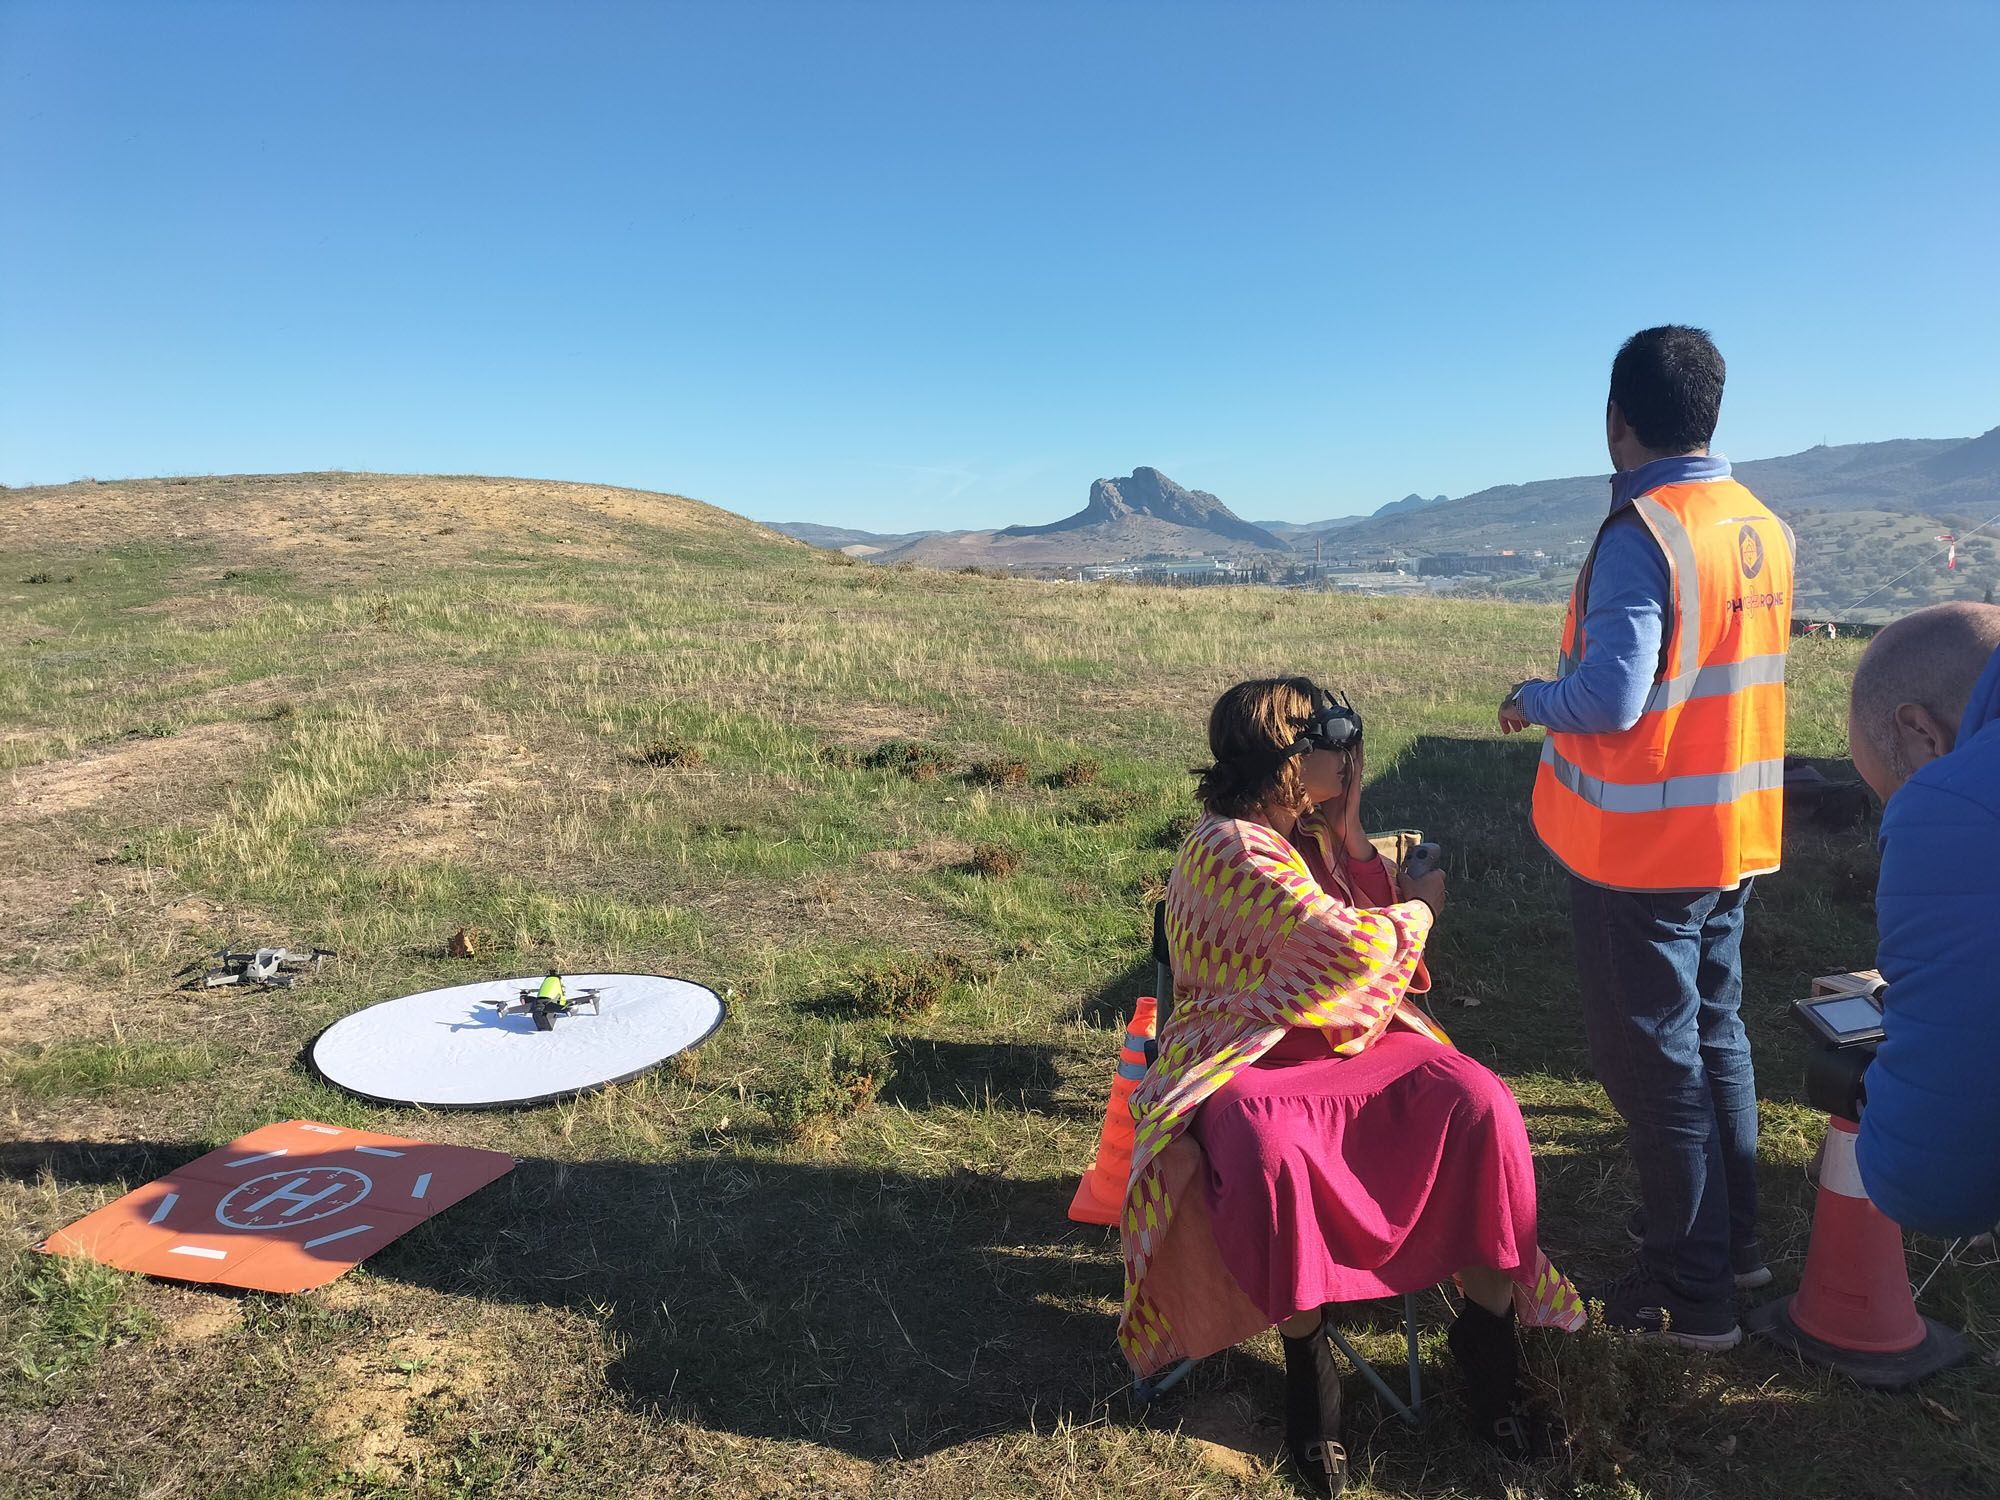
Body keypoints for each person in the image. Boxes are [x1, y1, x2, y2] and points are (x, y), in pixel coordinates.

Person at [1119, 677, 1585, 1495]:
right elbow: (1345, 947)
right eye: (1335, 741)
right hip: (1246, 1053)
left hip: (1353, 1042)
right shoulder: (1227, 846)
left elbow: (1365, 918)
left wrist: (1352, 830)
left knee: (1481, 1103)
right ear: (1288, 761)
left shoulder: (1308, 834)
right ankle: (1310, 1369)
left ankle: (1486, 1334)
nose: (1352, 752)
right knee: (1273, 1152)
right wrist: (1426, 911)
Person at [1498, 325, 1794, 1350]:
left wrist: (1529, 697)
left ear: (1615, 420)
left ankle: (1689, 1290)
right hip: (1733, 835)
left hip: (1646, 852)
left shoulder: (1643, 530)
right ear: (1709, 414)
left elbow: (1610, 695)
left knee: (1653, 1065)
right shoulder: (1755, 524)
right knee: (1717, 1037)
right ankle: (1733, 1241)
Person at [1847, 603, 2000, 1234]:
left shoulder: (1957, 802)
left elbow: (1932, 1178)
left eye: (1889, 793)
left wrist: (1873, 1096)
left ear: (1922, 733)